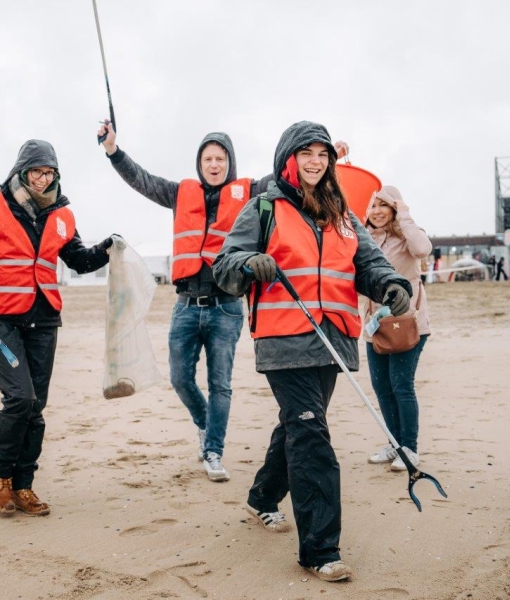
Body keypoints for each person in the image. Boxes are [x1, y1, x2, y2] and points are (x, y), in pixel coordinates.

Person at [212, 121, 411, 582]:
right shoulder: (263, 208)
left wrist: (392, 286)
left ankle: (262, 497)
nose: (316, 161)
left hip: (332, 340)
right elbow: (224, 267)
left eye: (323, 154)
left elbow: (370, 264)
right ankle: (320, 549)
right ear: (289, 158)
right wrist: (249, 263)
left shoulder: (343, 214)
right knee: (312, 436)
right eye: (307, 153)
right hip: (284, 339)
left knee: (300, 425)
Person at [97, 121, 349, 482]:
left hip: (226, 308)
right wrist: (112, 151)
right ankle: (205, 423)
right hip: (185, 305)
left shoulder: (249, 191)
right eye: (207, 158)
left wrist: (328, 155)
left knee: (221, 384)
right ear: (199, 163)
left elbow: (288, 175)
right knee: (181, 379)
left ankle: (213, 450)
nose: (214, 164)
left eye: (220, 158)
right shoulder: (178, 193)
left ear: (229, 162)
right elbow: (142, 180)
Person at [0, 139, 113, 518]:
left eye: (50, 172)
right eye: (37, 171)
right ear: (22, 171)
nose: (43, 178)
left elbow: (79, 260)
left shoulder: (62, 213)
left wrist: (105, 249)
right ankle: (0, 477)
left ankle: (24, 486)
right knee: (19, 398)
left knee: (36, 406)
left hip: (44, 318)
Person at [362, 186, 432, 472]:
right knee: (382, 388)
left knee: (401, 385)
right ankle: (393, 443)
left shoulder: (407, 236)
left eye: (384, 205)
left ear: (393, 209)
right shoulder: (364, 239)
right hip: (374, 325)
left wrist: (404, 213)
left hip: (408, 324)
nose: (377, 211)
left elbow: (423, 249)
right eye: (373, 205)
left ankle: (409, 448)